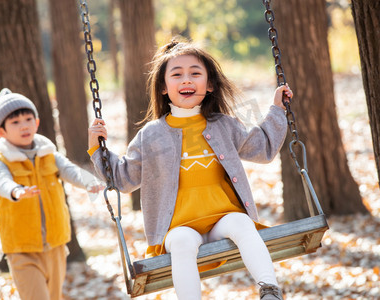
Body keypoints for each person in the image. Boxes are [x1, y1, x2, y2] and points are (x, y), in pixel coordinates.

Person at [88, 38, 292, 300]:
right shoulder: (151, 136)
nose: (186, 80)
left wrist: (277, 109)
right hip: (179, 227)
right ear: (163, 87)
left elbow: (262, 148)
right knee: (183, 243)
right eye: (177, 74)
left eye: (195, 73)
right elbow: (123, 178)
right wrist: (98, 150)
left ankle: (269, 290)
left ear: (209, 85)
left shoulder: (223, 125)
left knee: (242, 223)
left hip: (222, 219)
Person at [0, 88, 102, 300]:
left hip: (56, 243)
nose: (24, 125)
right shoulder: (1, 161)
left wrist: (89, 182)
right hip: (22, 249)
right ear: (1, 132)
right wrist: (17, 191)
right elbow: (0, 181)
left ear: (37, 122)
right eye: (15, 122)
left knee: (54, 297)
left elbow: (69, 170)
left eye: (28, 119)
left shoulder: (48, 153)